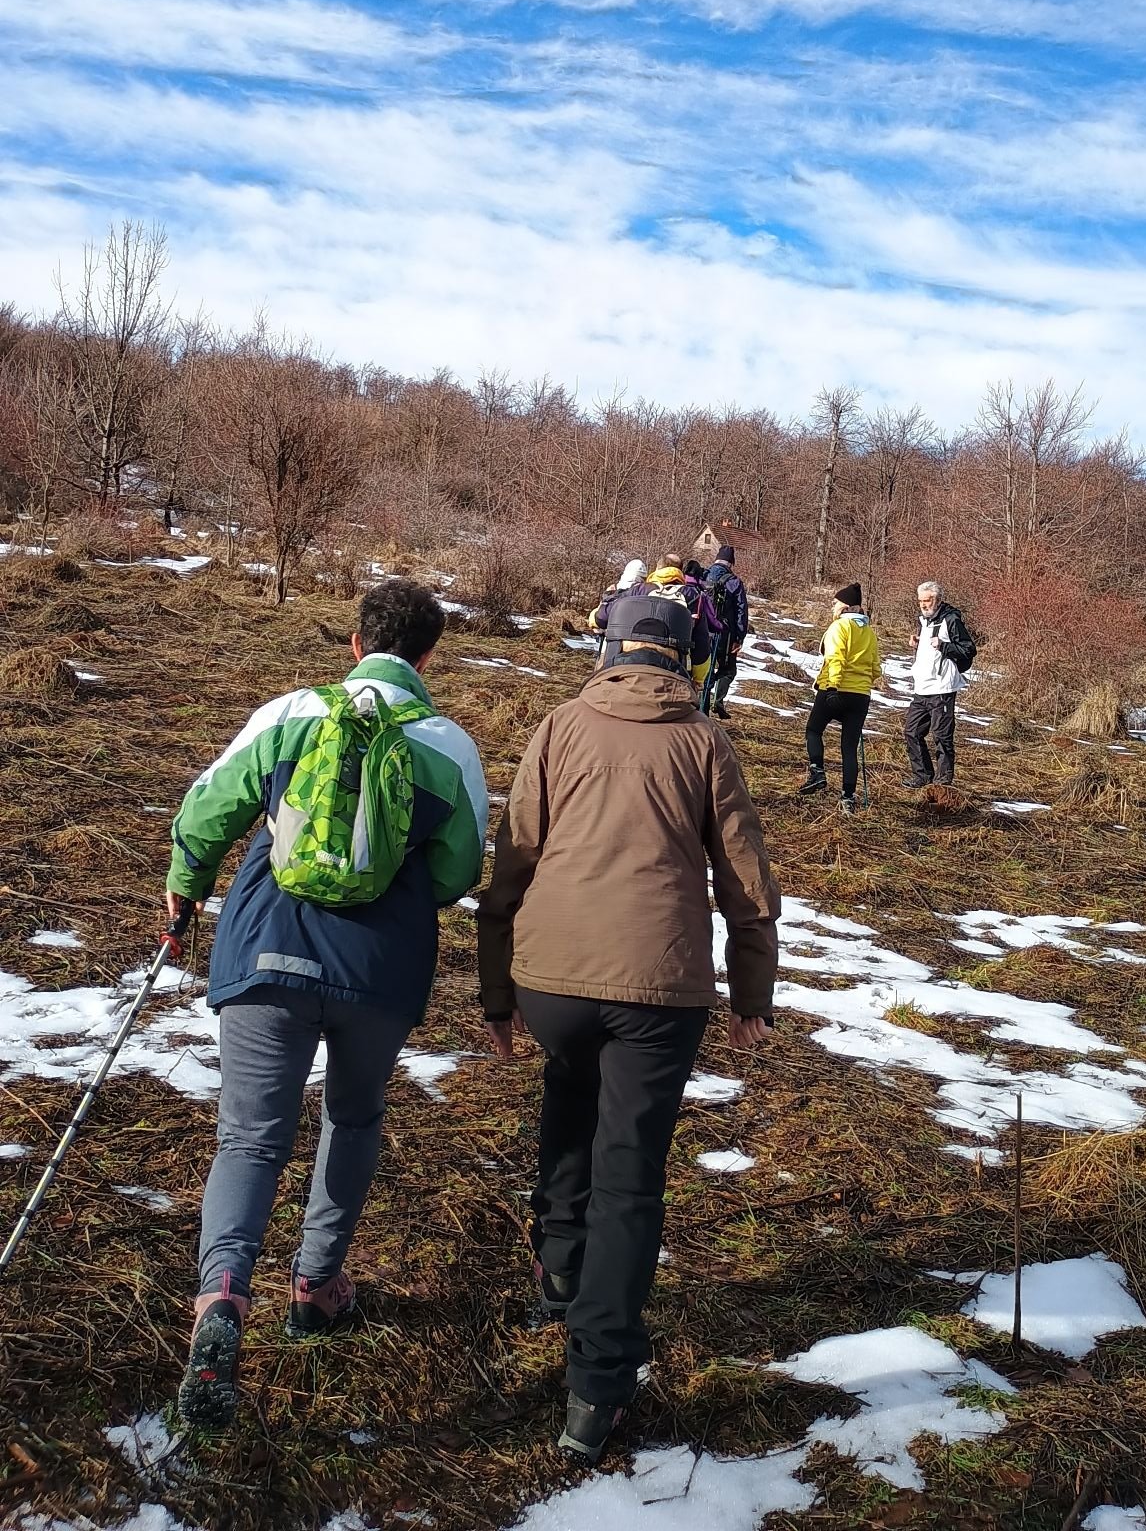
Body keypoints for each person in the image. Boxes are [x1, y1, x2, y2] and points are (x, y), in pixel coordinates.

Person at [165, 578, 489, 1428]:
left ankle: (222, 1298)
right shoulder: (449, 746)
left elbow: (209, 808)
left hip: (267, 951)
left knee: (250, 1138)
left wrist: (184, 887)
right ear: (428, 657)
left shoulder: (290, 713)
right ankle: (315, 1287)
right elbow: (459, 871)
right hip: (378, 970)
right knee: (353, 1116)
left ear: (355, 644)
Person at [478, 588, 779, 1465]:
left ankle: (558, 1266)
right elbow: (745, 876)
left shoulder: (559, 727)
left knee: (571, 1090)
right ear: (685, 661)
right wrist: (751, 993)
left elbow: (512, 862)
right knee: (630, 1177)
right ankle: (596, 1389)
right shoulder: (706, 740)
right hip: (660, 987)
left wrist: (498, 995)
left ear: (608, 651)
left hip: (552, 980)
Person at [800, 584, 881, 815]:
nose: (832, 606)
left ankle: (817, 772)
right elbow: (876, 668)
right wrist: (863, 683)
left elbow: (836, 658)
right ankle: (848, 799)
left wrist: (833, 686)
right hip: (860, 695)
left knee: (813, 730)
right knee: (849, 748)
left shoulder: (839, 627)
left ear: (845, 606)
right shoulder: (869, 632)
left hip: (834, 689)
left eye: (835, 602)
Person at [902, 580, 976, 788]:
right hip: (922, 688)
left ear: (938, 599)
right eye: (920, 601)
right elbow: (930, 650)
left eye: (927, 600)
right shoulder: (923, 621)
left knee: (941, 736)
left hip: (942, 688)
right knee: (911, 732)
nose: (923, 604)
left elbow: (969, 649)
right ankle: (922, 776)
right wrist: (918, 644)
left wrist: (944, 646)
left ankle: (942, 783)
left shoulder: (951, 619)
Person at [702, 543, 751, 718]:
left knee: (704, 670)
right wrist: (739, 638)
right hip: (725, 634)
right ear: (731, 563)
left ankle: (702, 710)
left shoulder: (703, 576)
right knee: (729, 669)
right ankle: (718, 700)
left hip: (703, 632)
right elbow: (741, 612)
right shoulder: (734, 582)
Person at [681, 558, 725, 688]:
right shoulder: (700, 595)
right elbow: (712, 621)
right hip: (693, 643)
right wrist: (721, 626)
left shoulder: (674, 588)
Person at [589, 558, 646, 636]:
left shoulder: (615, 593)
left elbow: (601, 619)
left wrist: (606, 598)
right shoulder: (646, 594)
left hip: (615, 636)